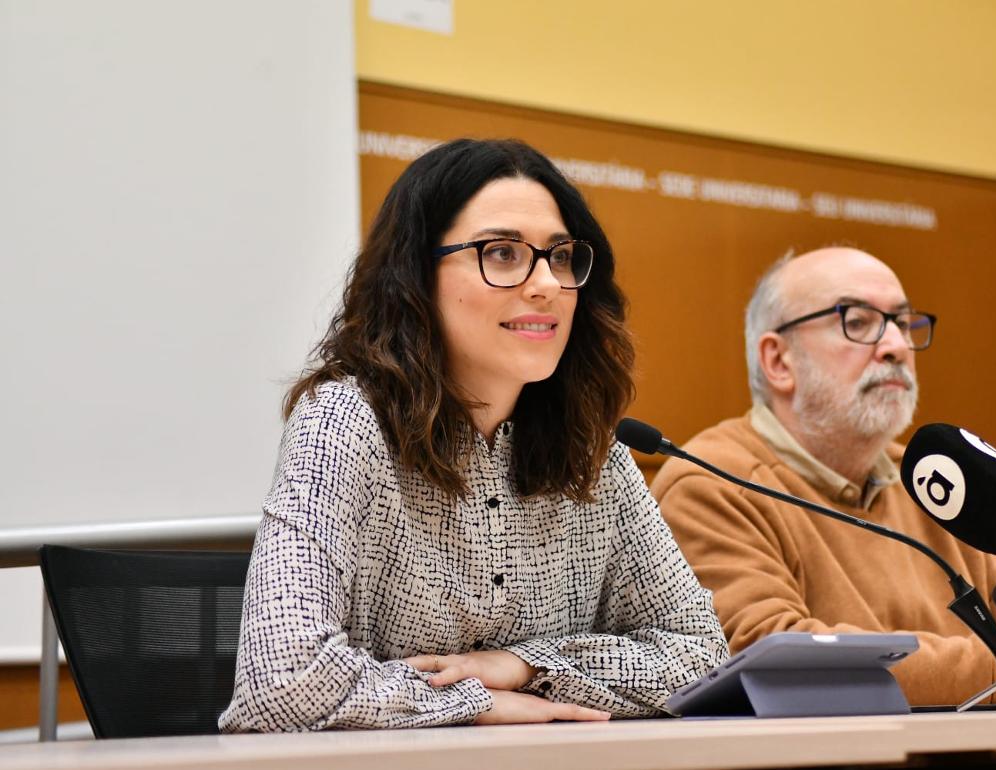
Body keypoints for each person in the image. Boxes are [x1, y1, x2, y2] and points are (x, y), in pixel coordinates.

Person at [220, 138, 726, 731]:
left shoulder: (593, 452)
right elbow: (280, 684)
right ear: (416, 274)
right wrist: (474, 701)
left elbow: (700, 657)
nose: (545, 284)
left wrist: (522, 667)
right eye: (503, 253)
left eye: (561, 256)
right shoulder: (345, 423)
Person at [650, 247, 996, 706]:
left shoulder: (941, 478)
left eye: (901, 322)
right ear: (778, 361)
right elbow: (779, 659)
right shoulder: (709, 484)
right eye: (857, 322)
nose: (896, 346)